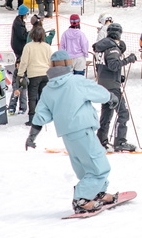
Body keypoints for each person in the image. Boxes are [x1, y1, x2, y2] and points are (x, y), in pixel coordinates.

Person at [27, 49, 122, 215]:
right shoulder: (76, 81)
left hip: (67, 136)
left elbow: (41, 114)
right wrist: (111, 98)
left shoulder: (48, 89)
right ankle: (82, 200)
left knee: (85, 168)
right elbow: (98, 93)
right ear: (68, 65)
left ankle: (96, 193)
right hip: (83, 130)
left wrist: (32, 135)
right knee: (99, 167)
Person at [93, 23, 137, 152]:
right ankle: (120, 141)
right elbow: (113, 65)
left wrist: (118, 76)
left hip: (103, 83)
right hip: (112, 87)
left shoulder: (101, 47)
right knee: (123, 113)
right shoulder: (112, 48)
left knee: (107, 113)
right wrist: (128, 60)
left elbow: (104, 66)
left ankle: (101, 140)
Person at [18, 20, 54, 125]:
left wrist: (20, 74)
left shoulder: (28, 46)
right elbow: (50, 61)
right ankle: (43, 116)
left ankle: (32, 117)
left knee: (32, 97)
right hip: (45, 74)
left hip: (33, 75)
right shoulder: (47, 46)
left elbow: (24, 62)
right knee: (43, 97)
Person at [8, 5, 31, 115]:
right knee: (20, 65)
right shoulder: (19, 24)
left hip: (17, 46)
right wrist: (29, 34)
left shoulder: (18, 22)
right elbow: (22, 36)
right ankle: (20, 77)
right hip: (19, 47)